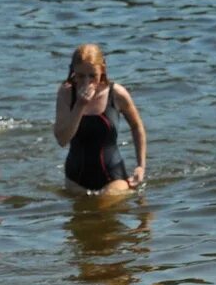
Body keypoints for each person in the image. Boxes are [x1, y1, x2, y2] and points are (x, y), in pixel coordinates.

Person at [54, 44, 147, 194]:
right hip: (76, 177)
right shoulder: (66, 94)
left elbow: (137, 126)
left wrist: (140, 166)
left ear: (102, 70)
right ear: (72, 71)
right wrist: (79, 105)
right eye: (80, 76)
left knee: (105, 204)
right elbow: (62, 139)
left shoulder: (116, 93)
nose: (87, 82)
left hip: (113, 175)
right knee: (82, 215)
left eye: (92, 76)